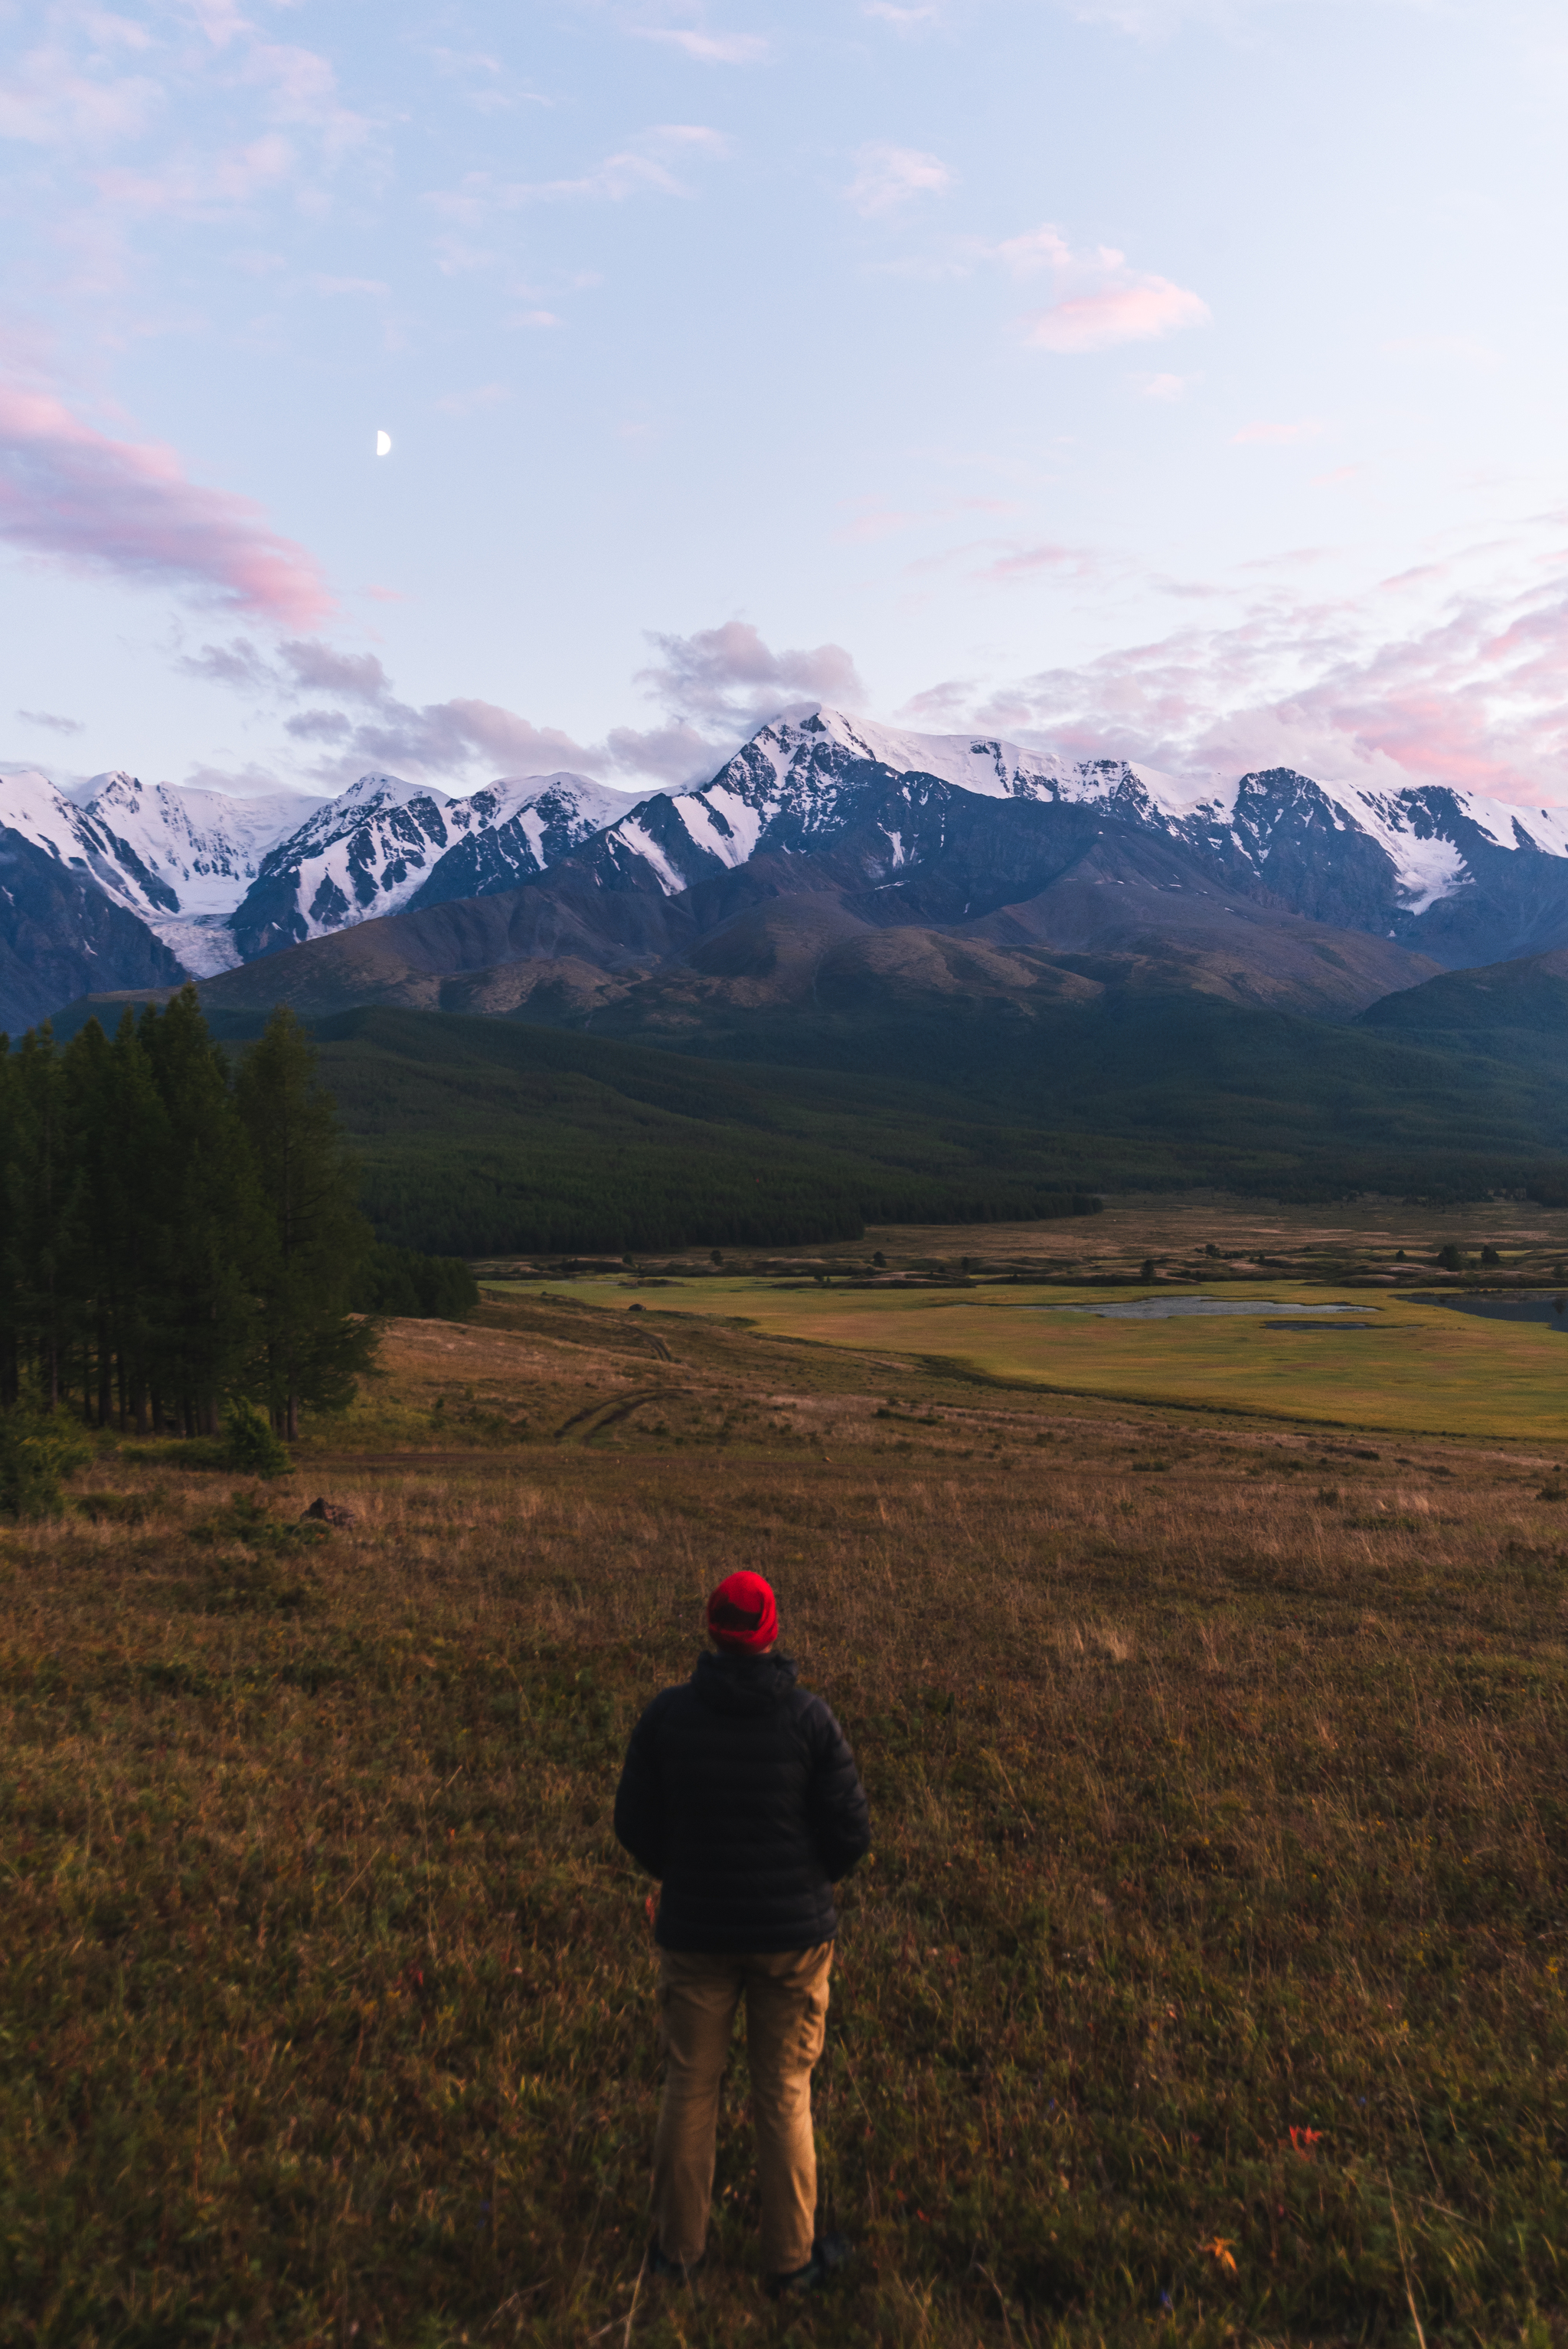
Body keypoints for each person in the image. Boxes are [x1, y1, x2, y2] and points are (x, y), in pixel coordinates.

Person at [613, 1569, 871, 2298]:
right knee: (785, 2091)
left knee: (689, 2085)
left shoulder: (668, 1717)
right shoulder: (810, 1719)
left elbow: (632, 1824)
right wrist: (805, 1884)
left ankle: (677, 2255)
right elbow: (851, 1834)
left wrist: (681, 1874)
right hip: (793, 1941)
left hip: (693, 1930)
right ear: (772, 1631)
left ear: (711, 1631)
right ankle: (790, 2263)